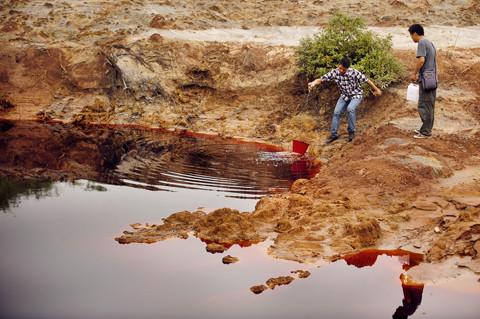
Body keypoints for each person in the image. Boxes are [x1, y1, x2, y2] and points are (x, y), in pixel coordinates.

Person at [308, 57, 382, 144]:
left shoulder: (354, 72)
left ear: (347, 68)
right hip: (344, 96)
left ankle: (351, 132)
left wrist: (377, 89)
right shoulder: (335, 72)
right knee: (336, 112)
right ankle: (333, 135)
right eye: (339, 68)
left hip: (356, 95)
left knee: (350, 109)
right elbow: (321, 79)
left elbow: (367, 80)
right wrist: (313, 83)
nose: (340, 70)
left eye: (343, 69)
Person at [408, 24, 437, 139]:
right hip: (432, 78)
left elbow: (421, 60)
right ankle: (425, 128)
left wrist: (414, 73)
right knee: (428, 104)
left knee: (424, 105)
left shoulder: (422, 43)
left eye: (411, 35)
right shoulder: (429, 42)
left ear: (415, 34)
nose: (411, 38)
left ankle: (425, 132)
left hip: (426, 79)